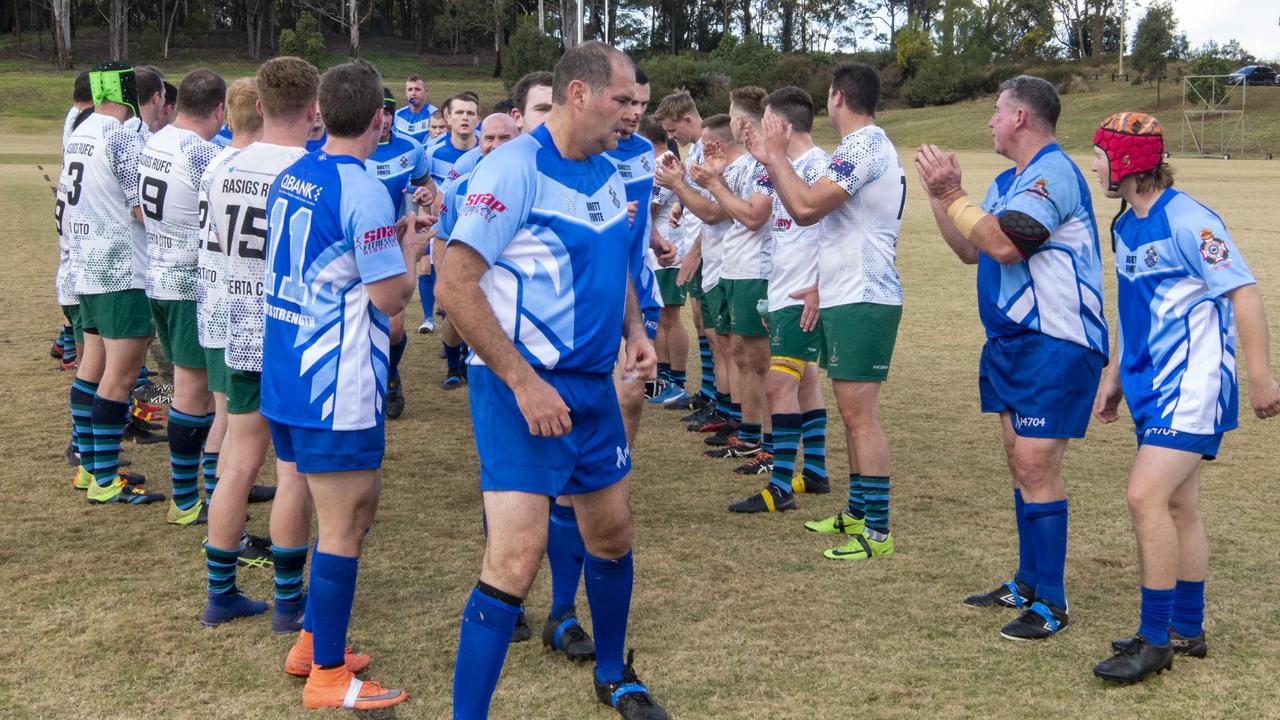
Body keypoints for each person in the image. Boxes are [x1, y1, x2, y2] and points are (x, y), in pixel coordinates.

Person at [439, 41, 667, 720]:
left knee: (612, 533)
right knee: (515, 557)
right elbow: (454, 284)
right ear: (578, 93)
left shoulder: (605, 171)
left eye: (637, 104)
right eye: (623, 101)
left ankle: (612, 673)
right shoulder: (512, 170)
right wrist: (523, 381)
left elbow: (615, 262)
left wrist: (635, 332)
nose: (633, 115)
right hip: (522, 393)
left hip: (594, 388)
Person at [1086, 112, 1280, 681]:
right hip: (1151, 385)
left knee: (1144, 497)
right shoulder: (1125, 227)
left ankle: (1154, 642)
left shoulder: (1191, 220)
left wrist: (1263, 377)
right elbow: (1131, 308)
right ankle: (1187, 627)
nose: (1094, 162)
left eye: (1100, 153)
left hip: (1192, 386)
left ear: (1125, 162)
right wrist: (1116, 375)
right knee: (1179, 506)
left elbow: (1243, 291)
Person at [915, 75, 1106, 637]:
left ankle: (1052, 602)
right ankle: (1026, 579)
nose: (990, 120)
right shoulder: (1006, 180)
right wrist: (937, 196)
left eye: (997, 111)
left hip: (1057, 342)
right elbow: (971, 251)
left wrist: (954, 194)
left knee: (1035, 465)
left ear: (1021, 117)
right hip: (1009, 344)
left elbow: (1006, 244)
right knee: (1018, 464)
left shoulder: (1054, 174)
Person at [264, 59, 428, 711]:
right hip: (332, 376)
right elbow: (390, 298)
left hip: (289, 369)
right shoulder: (360, 187)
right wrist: (413, 244)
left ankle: (311, 641)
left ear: (321, 112)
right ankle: (328, 675)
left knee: (344, 513)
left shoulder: (294, 173)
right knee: (345, 521)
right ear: (381, 119)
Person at [746, 63, 905, 561]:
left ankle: (876, 532)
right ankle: (858, 511)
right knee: (852, 414)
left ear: (837, 97)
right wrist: (816, 285)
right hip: (844, 291)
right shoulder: (859, 148)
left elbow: (807, 207)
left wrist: (773, 158)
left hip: (865, 293)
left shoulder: (865, 145)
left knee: (861, 417)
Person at [201, 56, 321, 630]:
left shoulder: (224, 164)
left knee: (239, 461)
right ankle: (289, 602)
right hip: (286, 330)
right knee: (293, 470)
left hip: (235, 320)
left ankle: (220, 593)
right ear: (314, 109)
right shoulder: (309, 169)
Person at [61, 61, 165, 506]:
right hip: (121, 269)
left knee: (93, 368)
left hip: (85, 266)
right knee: (119, 378)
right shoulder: (122, 135)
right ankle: (105, 478)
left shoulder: (81, 129)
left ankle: (89, 467)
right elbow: (141, 207)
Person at [731, 85, 832, 513]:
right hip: (782, 290)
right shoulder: (782, 166)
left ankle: (781, 486)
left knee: (778, 383)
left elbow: (838, 233)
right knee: (804, 379)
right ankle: (817, 472)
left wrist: (820, 288)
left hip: (803, 294)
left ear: (783, 125)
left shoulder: (821, 167)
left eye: (766, 121)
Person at [138, 68, 226, 525]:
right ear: (219, 109)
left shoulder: (155, 139)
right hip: (189, 283)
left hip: (159, 274)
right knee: (194, 393)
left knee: (197, 391)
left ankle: (213, 490)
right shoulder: (204, 154)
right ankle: (191, 500)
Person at [195, 77, 273, 554]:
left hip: (214, 296)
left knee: (226, 419)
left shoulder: (215, 162)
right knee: (237, 430)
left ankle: (217, 503)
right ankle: (225, 519)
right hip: (246, 307)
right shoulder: (266, 167)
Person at [692, 86, 774, 472]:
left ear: (740, 122)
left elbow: (750, 216)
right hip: (735, 269)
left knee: (762, 362)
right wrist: (714, 179)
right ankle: (751, 434)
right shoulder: (744, 164)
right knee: (742, 356)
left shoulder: (762, 163)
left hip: (756, 269)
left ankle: (769, 446)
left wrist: (712, 184)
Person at [653, 108, 735, 443]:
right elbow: (699, 201)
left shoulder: (713, 152)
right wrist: (679, 205)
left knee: (723, 339)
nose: (674, 137)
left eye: (674, 129)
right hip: (699, 252)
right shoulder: (696, 152)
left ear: (688, 118)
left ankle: (725, 407)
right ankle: (712, 395)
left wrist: (693, 251)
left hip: (710, 256)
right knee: (707, 328)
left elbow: (715, 211)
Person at [366, 86, 432, 419]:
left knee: (392, 328)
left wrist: (424, 197)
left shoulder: (412, 149)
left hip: (393, 245)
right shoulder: (351, 147)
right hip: (355, 247)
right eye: (379, 112)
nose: (385, 119)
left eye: (389, 112)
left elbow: (427, 188)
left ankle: (391, 376)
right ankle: (364, 384)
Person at [638, 115, 689, 407]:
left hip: (669, 253)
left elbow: (651, 206)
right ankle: (664, 380)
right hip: (656, 254)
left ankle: (676, 380)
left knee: (668, 318)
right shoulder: (654, 163)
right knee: (658, 319)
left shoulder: (667, 162)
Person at [394, 74, 438, 144]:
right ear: (406, 93)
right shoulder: (397, 115)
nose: (413, 93)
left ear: (426, 92)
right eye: (410, 89)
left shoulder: (435, 115)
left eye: (417, 89)